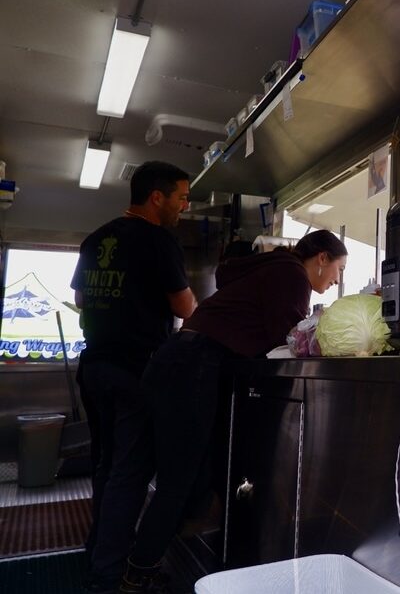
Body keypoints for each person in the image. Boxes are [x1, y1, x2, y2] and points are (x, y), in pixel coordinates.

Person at [117, 229, 347, 594]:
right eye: (339, 268)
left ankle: (124, 561)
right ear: (322, 258)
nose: (336, 279)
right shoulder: (291, 274)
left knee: (152, 472)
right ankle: (137, 573)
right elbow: (289, 338)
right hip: (192, 368)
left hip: (172, 361)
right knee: (179, 480)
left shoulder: (270, 268)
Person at [71, 161, 198, 594]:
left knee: (107, 466)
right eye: (182, 197)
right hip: (135, 371)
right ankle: (108, 576)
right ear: (157, 197)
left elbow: (81, 297)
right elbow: (185, 308)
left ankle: (97, 553)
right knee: (129, 473)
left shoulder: (95, 238)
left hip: (94, 368)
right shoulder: (159, 241)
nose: (185, 205)